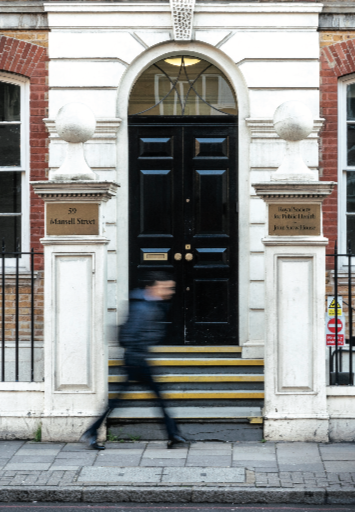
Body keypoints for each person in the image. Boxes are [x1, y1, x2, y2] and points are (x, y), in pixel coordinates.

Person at [81, 271, 188, 450]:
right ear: (154, 287)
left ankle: (173, 433)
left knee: (141, 398)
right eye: (166, 287)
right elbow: (133, 334)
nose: (170, 291)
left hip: (137, 358)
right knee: (151, 398)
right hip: (136, 360)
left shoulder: (148, 304)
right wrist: (137, 356)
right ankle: (172, 434)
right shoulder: (144, 307)